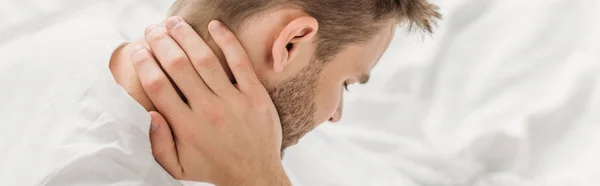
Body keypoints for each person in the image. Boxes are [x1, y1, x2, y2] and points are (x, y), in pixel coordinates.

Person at [0, 0, 440, 185]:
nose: (335, 114)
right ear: (290, 43)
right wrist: (259, 177)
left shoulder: (71, 37)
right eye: (345, 82)